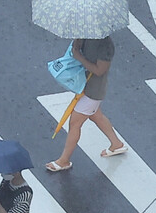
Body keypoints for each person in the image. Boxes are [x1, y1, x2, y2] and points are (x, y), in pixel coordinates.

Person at [45, 36, 127, 172]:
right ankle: (116, 144)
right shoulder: (85, 34)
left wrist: (79, 57)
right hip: (85, 85)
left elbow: (100, 70)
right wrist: (77, 43)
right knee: (96, 116)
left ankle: (63, 161)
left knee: (75, 124)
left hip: (93, 91)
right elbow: (76, 49)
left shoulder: (105, 46)